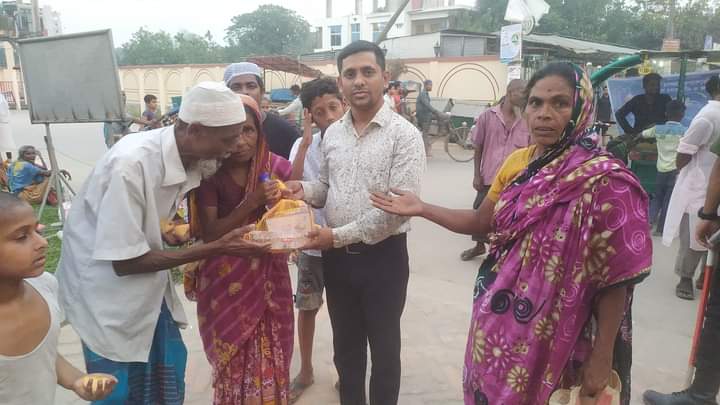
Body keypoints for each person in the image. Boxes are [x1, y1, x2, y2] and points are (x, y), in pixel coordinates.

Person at [371, 62, 651, 404]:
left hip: (565, 330)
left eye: (560, 103)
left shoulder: (605, 180)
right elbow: (481, 223)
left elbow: (616, 279)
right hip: (501, 322)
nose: (544, 114)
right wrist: (422, 208)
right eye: (535, 103)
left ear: (582, 108)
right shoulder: (518, 163)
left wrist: (603, 354)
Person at [55, 82, 271, 404]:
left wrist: (164, 229)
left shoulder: (189, 156)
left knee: (166, 378)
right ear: (195, 131)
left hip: (147, 290)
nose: (235, 146)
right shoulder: (131, 165)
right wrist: (218, 247)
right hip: (107, 296)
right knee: (119, 390)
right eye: (228, 139)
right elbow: (125, 263)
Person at [278, 40, 426, 405]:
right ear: (341, 82)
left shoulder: (404, 136)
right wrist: (302, 189)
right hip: (339, 261)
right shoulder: (333, 134)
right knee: (347, 350)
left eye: (367, 72)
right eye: (350, 74)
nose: (359, 81)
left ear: (384, 77)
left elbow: (394, 211)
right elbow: (326, 187)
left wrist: (333, 236)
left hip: (384, 259)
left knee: (385, 350)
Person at [183, 94, 293, 404]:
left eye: (250, 131)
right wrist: (254, 201)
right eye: (235, 132)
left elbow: (293, 222)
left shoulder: (277, 168)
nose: (242, 141)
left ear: (260, 132)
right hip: (225, 282)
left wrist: (280, 204)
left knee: (273, 354)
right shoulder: (210, 175)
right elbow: (212, 232)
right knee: (233, 362)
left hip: (272, 279)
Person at [643, 77, 720, 404]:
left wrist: (708, 212)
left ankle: (700, 395)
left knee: (694, 239)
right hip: (705, 192)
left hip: (699, 189)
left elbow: (700, 159)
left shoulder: (706, 116)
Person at [0, 192, 117, 404]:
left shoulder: (45, 286)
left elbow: (44, 356)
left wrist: (77, 381)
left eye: (37, 231)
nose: (42, 242)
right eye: (21, 237)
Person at [286, 77, 345, 404]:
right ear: (310, 116)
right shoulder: (301, 145)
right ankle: (306, 370)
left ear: (343, 106)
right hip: (310, 244)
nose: (330, 117)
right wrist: (307, 142)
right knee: (307, 308)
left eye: (334, 108)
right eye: (320, 112)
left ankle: (343, 372)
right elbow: (292, 185)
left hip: (341, 241)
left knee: (343, 311)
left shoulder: (354, 142)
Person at [662, 75, 720, 300]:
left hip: (712, 182)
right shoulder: (707, 116)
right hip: (701, 183)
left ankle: (705, 275)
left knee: (714, 234)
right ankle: (685, 277)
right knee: (693, 235)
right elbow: (685, 151)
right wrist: (681, 168)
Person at [460, 79, 530, 262]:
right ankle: (478, 246)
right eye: (522, 92)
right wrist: (477, 174)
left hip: (516, 180)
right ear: (510, 92)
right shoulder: (487, 117)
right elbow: (478, 147)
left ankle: (499, 251)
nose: (525, 97)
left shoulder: (526, 120)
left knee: (507, 217)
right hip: (489, 176)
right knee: (480, 212)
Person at [224, 62, 300, 159]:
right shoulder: (218, 132)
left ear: (262, 91)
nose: (244, 92)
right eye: (236, 87)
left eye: (251, 86)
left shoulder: (284, 131)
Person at [641, 100, 687, 235]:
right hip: (675, 170)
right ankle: (660, 230)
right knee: (668, 200)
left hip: (660, 170)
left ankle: (649, 222)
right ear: (682, 114)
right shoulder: (685, 131)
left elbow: (643, 134)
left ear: (666, 113)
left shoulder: (658, 129)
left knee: (657, 198)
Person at [416, 79, 450, 156]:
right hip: (423, 116)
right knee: (425, 134)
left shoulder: (426, 94)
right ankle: (425, 151)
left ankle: (441, 130)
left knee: (442, 116)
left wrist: (437, 112)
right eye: (430, 85)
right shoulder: (423, 94)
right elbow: (427, 105)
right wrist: (436, 112)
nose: (431, 87)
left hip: (427, 114)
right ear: (426, 85)